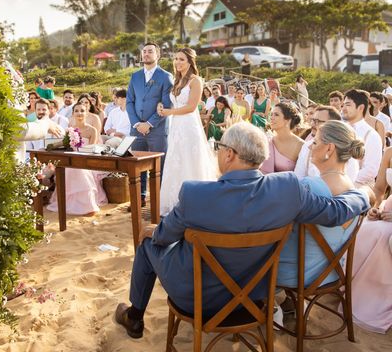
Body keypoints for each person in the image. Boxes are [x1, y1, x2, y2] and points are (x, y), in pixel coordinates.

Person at [114, 122, 370, 339]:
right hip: (257, 296)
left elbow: (166, 236)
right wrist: (364, 194)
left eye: (219, 148)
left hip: (196, 299)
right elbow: (336, 212)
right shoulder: (288, 189)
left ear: (229, 154)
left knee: (149, 242)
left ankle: (135, 317)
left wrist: (154, 233)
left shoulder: (196, 194)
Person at [278, 120, 364, 287]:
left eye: (315, 141)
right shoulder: (353, 188)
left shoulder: (308, 187)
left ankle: (268, 308)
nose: (309, 147)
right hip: (331, 272)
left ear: (329, 149)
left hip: (296, 274)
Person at [156, 48, 218, 216]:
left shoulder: (195, 80)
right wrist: (163, 108)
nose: (177, 62)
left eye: (181, 59)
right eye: (175, 59)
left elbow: (191, 107)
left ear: (190, 62)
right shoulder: (177, 80)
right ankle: (175, 202)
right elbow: (175, 103)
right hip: (176, 126)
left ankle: (195, 203)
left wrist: (170, 113)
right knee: (176, 160)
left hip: (189, 126)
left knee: (190, 160)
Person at [126, 42, 174, 206]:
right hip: (137, 129)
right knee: (138, 165)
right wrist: (137, 124)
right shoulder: (135, 76)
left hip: (158, 130)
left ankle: (158, 201)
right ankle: (140, 198)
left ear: (157, 55)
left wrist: (149, 124)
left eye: (150, 51)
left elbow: (167, 104)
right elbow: (129, 102)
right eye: (144, 51)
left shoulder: (165, 76)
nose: (146, 54)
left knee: (158, 167)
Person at [47, 102, 108, 215]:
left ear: (86, 113)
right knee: (67, 168)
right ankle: (68, 203)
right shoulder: (69, 130)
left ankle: (87, 205)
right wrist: (52, 146)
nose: (79, 113)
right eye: (76, 111)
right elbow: (64, 144)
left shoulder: (92, 130)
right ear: (73, 114)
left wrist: (80, 155)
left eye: (82, 111)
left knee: (80, 170)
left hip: (86, 160)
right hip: (71, 159)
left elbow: (92, 148)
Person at [350, 188, 392, 333]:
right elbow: (380, 189)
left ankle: (376, 297)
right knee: (364, 227)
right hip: (386, 215)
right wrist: (376, 210)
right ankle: (349, 284)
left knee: (382, 236)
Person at [294, 106, 359, 181]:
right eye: (313, 120)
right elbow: (298, 176)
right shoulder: (307, 146)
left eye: (318, 121)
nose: (313, 124)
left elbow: (349, 183)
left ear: (332, 125)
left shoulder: (345, 150)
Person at [341, 89, 383, 189]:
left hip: (357, 188)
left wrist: (344, 181)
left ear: (361, 107)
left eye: (348, 105)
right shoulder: (339, 130)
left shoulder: (371, 135)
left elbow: (370, 170)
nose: (343, 109)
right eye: (343, 105)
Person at [260, 102, 304, 174]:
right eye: (271, 114)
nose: (271, 117)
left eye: (276, 115)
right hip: (266, 183)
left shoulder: (301, 146)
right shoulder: (268, 141)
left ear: (288, 120)